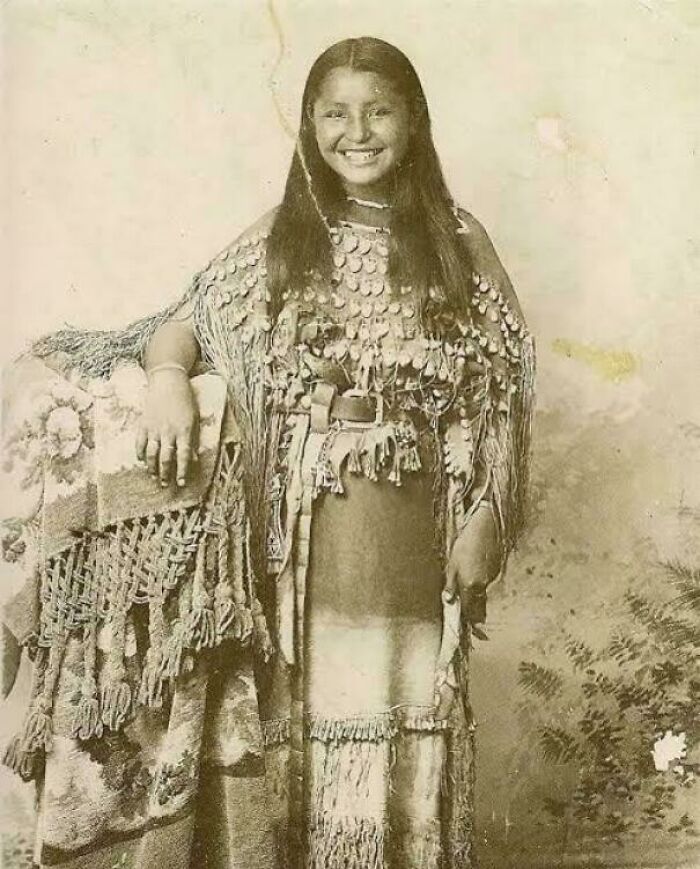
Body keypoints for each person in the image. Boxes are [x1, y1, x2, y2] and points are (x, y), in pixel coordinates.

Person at [1, 36, 534, 869]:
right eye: (334, 114)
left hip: (413, 544)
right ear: (308, 127)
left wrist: (490, 520)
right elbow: (176, 323)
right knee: (303, 738)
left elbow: (502, 398)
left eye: (379, 110)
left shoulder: (462, 245)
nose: (357, 133)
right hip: (304, 552)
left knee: (404, 720)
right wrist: (171, 379)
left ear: (416, 121)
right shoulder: (287, 238)